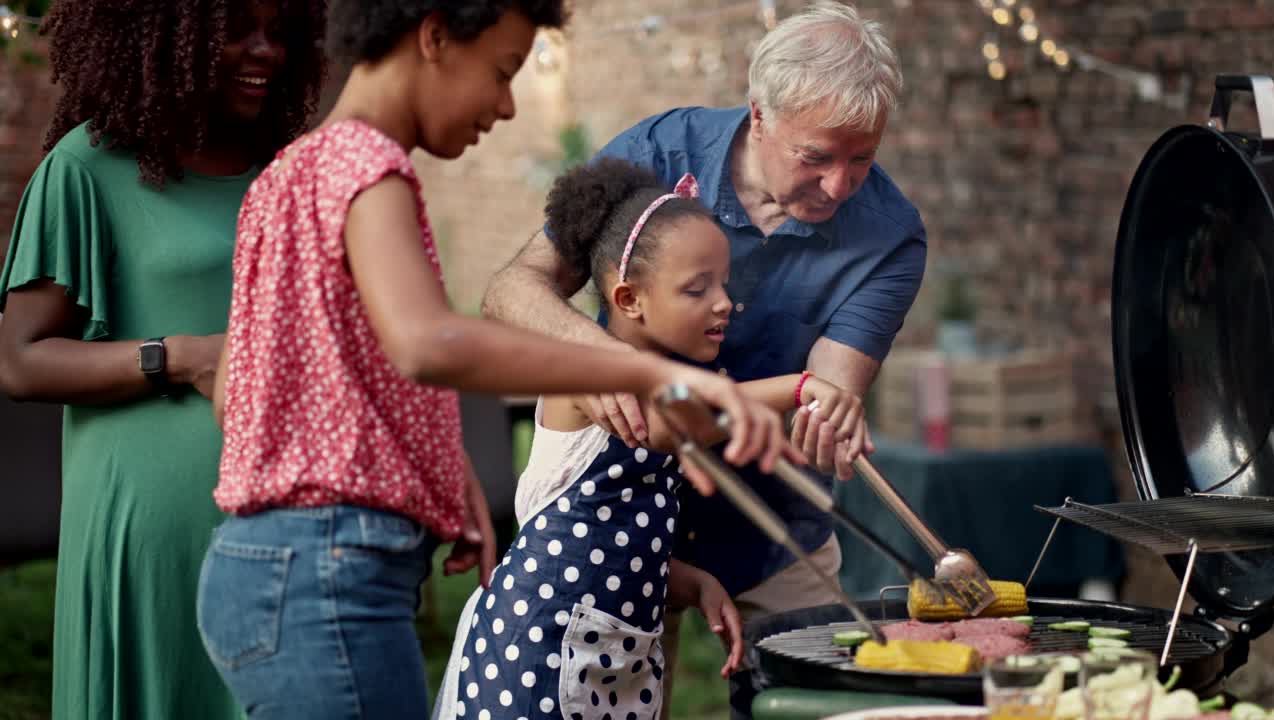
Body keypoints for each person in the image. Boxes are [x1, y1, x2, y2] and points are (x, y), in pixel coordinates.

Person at [195, 2, 800, 718]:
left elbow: (237, 392)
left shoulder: (285, 174)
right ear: (435, 36)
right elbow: (428, 343)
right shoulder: (369, 167)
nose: (507, 106)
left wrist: (434, 480)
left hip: (256, 567)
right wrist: (649, 372)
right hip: (330, 574)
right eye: (503, 71)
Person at [480, 2, 926, 715]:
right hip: (618, 512)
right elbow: (511, 290)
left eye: (863, 158)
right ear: (759, 116)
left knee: (813, 708)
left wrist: (828, 404)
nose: (842, 185)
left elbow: (829, 393)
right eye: (817, 157)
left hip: (775, 526)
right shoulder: (660, 155)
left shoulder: (891, 235)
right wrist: (610, 366)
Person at [436, 159, 867, 720]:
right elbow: (673, 423)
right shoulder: (586, 375)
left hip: (614, 655)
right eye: (697, 289)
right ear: (628, 299)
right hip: (536, 653)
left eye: (723, 283)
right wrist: (802, 385)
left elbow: (617, 542)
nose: (723, 302)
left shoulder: (662, 383)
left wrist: (692, 584)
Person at [0, 1, 326, 717]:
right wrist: (178, 357)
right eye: (238, 28)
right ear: (167, 35)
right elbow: (21, 362)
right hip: (148, 541)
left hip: (285, 526)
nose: (264, 50)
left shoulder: (290, 172)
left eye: (278, 30)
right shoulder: (86, 168)